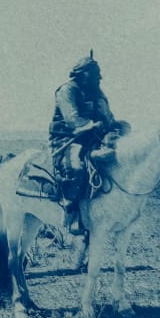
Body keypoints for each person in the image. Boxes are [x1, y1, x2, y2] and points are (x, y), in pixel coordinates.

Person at [48, 52, 125, 234]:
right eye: (95, 73)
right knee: (77, 167)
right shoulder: (67, 90)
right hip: (66, 139)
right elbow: (72, 119)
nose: (100, 77)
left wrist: (114, 127)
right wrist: (90, 125)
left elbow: (107, 116)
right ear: (82, 73)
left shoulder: (97, 93)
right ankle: (71, 212)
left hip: (93, 138)